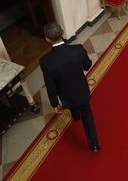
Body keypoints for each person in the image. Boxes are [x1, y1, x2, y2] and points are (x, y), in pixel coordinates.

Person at [40, 22, 100, 152]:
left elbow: (51, 86)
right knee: (88, 116)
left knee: (72, 105)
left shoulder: (45, 61)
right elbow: (87, 65)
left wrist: (54, 103)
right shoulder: (77, 49)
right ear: (62, 32)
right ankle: (94, 145)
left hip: (65, 94)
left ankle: (75, 116)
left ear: (47, 39)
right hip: (81, 91)